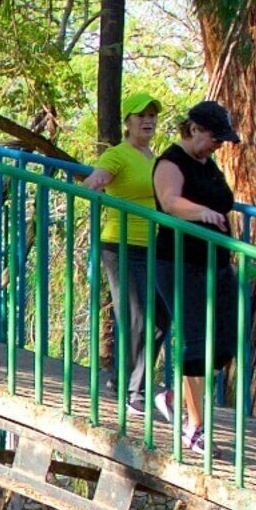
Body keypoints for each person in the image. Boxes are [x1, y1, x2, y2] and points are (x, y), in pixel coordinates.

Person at [153, 99, 244, 457]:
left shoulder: (209, 164)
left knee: (225, 343)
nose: (218, 145)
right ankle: (194, 428)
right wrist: (201, 212)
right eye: (214, 138)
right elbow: (169, 201)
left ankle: (172, 398)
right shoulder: (171, 162)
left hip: (216, 263)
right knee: (197, 341)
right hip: (179, 262)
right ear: (193, 130)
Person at [78, 88, 168, 413]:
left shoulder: (154, 159)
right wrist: (97, 182)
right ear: (127, 122)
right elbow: (96, 180)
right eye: (141, 115)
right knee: (136, 315)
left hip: (152, 247)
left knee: (161, 317)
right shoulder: (118, 155)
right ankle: (133, 392)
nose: (148, 121)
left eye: (152, 116)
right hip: (121, 245)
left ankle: (124, 381)